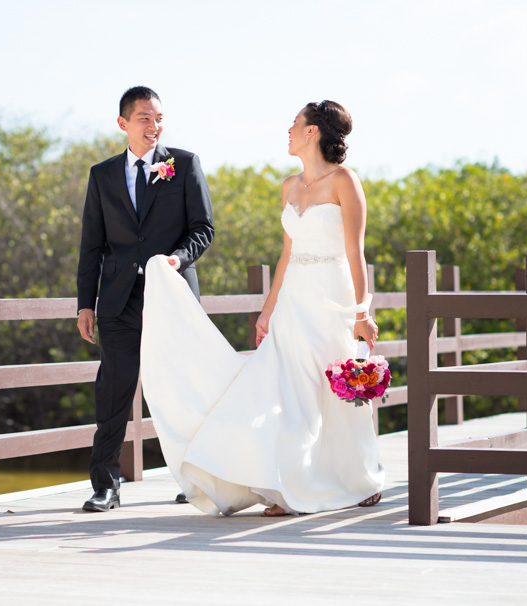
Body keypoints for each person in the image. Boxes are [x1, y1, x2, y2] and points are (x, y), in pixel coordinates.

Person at [140, 100, 384, 516]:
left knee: (330, 388)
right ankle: (284, 485)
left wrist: (362, 313)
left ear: (313, 132)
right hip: (293, 300)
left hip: (332, 297)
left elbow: (355, 252)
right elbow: (286, 254)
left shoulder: (345, 180)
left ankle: (358, 478)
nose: (288, 130)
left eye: (295, 124)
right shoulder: (289, 186)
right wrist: (267, 310)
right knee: (284, 392)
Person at [76, 86, 214, 512]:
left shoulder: (184, 163)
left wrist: (177, 259)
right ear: (123, 123)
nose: (153, 126)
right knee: (114, 388)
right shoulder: (102, 175)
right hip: (117, 299)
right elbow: (91, 245)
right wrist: (86, 303)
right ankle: (106, 484)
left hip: (171, 295)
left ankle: (194, 478)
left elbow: (203, 228)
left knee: (183, 387)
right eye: (144, 119)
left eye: (158, 118)